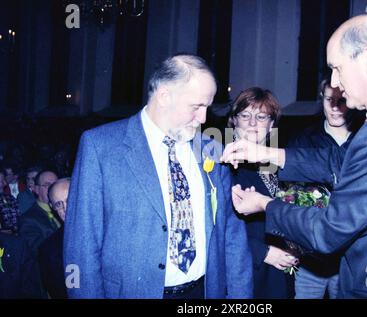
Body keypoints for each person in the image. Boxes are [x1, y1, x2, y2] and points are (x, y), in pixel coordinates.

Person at [222, 14, 367, 298]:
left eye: (337, 68)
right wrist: (266, 153)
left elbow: (329, 231)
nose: (335, 82)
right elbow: (340, 163)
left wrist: (266, 205)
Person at [64, 54, 253, 299]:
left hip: (202, 293)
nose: (204, 119)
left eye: (207, 107)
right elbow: (82, 244)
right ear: (164, 96)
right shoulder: (100, 147)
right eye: (196, 106)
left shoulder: (211, 150)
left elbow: (232, 235)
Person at [287, 77, 364, 299]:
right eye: (329, 99)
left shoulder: (364, 138)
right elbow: (289, 194)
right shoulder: (303, 140)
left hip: (352, 255)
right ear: (321, 99)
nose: (335, 108)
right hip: (312, 254)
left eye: (341, 100)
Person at [227, 87, 296, 299]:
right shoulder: (224, 165)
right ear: (234, 122)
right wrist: (264, 253)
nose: (252, 123)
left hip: (280, 272)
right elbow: (218, 229)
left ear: (271, 124)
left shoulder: (277, 165)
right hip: (249, 273)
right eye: (245, 115)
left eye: (261, 116)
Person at [38, 178, 71, 299]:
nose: (66, 208)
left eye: (70, 200)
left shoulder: (109, 233)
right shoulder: (48, 250)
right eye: (58, 204)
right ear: (52, 207)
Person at [19, 170, 60, 256]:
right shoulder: (28, 219)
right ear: (36, 189)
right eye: (47, 185)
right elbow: (39, 252)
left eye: (55, 184)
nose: (53, 188)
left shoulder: (65, 211)